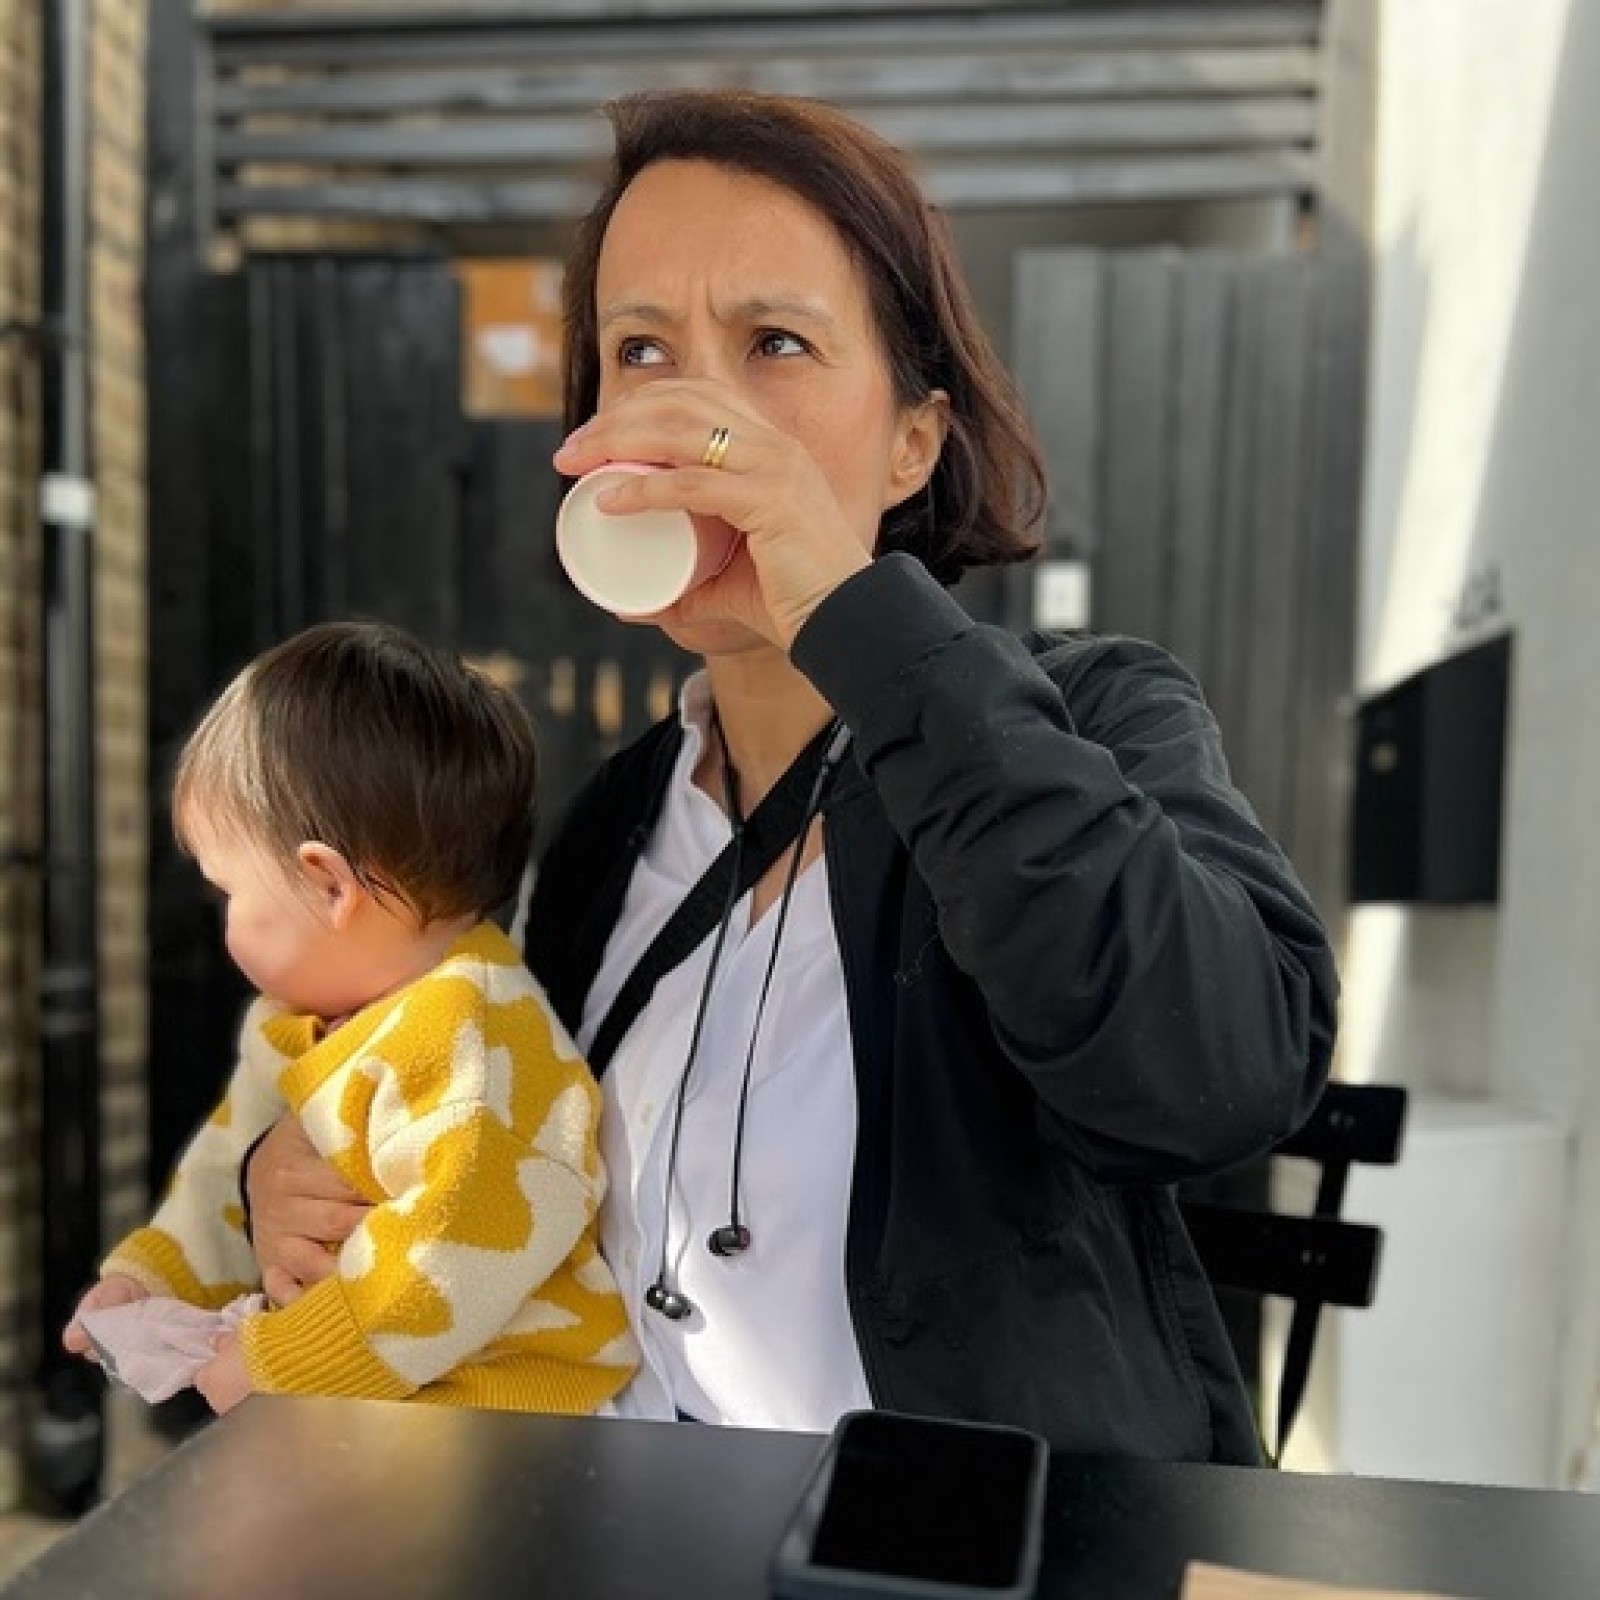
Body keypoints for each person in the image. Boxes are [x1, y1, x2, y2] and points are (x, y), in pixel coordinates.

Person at [244, 91, 1338, 1463]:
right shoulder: (607, 827)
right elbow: (493, 1144)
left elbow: (1223, 1072)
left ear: (911, 443)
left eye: (774, 344)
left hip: (972, 1560)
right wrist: (303, 1177)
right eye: (641, 351)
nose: (696, 413)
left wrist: (863, 624)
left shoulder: (1090, 716)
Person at [64, 621, 637, 1415]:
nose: (222, 922)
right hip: (381, 1409)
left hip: (508, 1416)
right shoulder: (307, 1025)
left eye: (229, 892)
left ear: (330, 885)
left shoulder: (471, 1035)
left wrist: (282, 1362)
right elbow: (223, 1173)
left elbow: (450, 1247)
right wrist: (151, 1275)